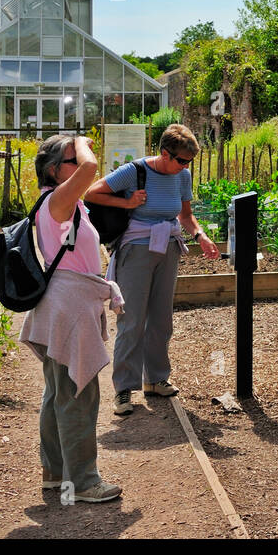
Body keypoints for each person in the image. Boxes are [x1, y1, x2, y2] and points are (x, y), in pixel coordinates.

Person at [18, 134, 124, 504]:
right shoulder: (58, 201)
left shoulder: (64, 203)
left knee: (58, 392)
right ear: (53, 170)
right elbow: (93, 167)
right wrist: (79, 139)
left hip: (64, 305)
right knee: (78, 395)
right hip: (69, 308)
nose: (80, 165)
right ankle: (83, 481)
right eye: (71, 161)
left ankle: (56, 472)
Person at [86, 124, 219, 416]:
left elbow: (185, 214)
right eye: (182, 160)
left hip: (168, 247)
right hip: (136, 248)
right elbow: (91, 193)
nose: (186, 166)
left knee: (161, 317)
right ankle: (123, 388)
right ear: (164, 153)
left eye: (189, 162)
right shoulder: (136, 171)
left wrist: (201, 236)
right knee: (131, 318)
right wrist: (127, 201)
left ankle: (155, 379)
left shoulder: (182, 175)